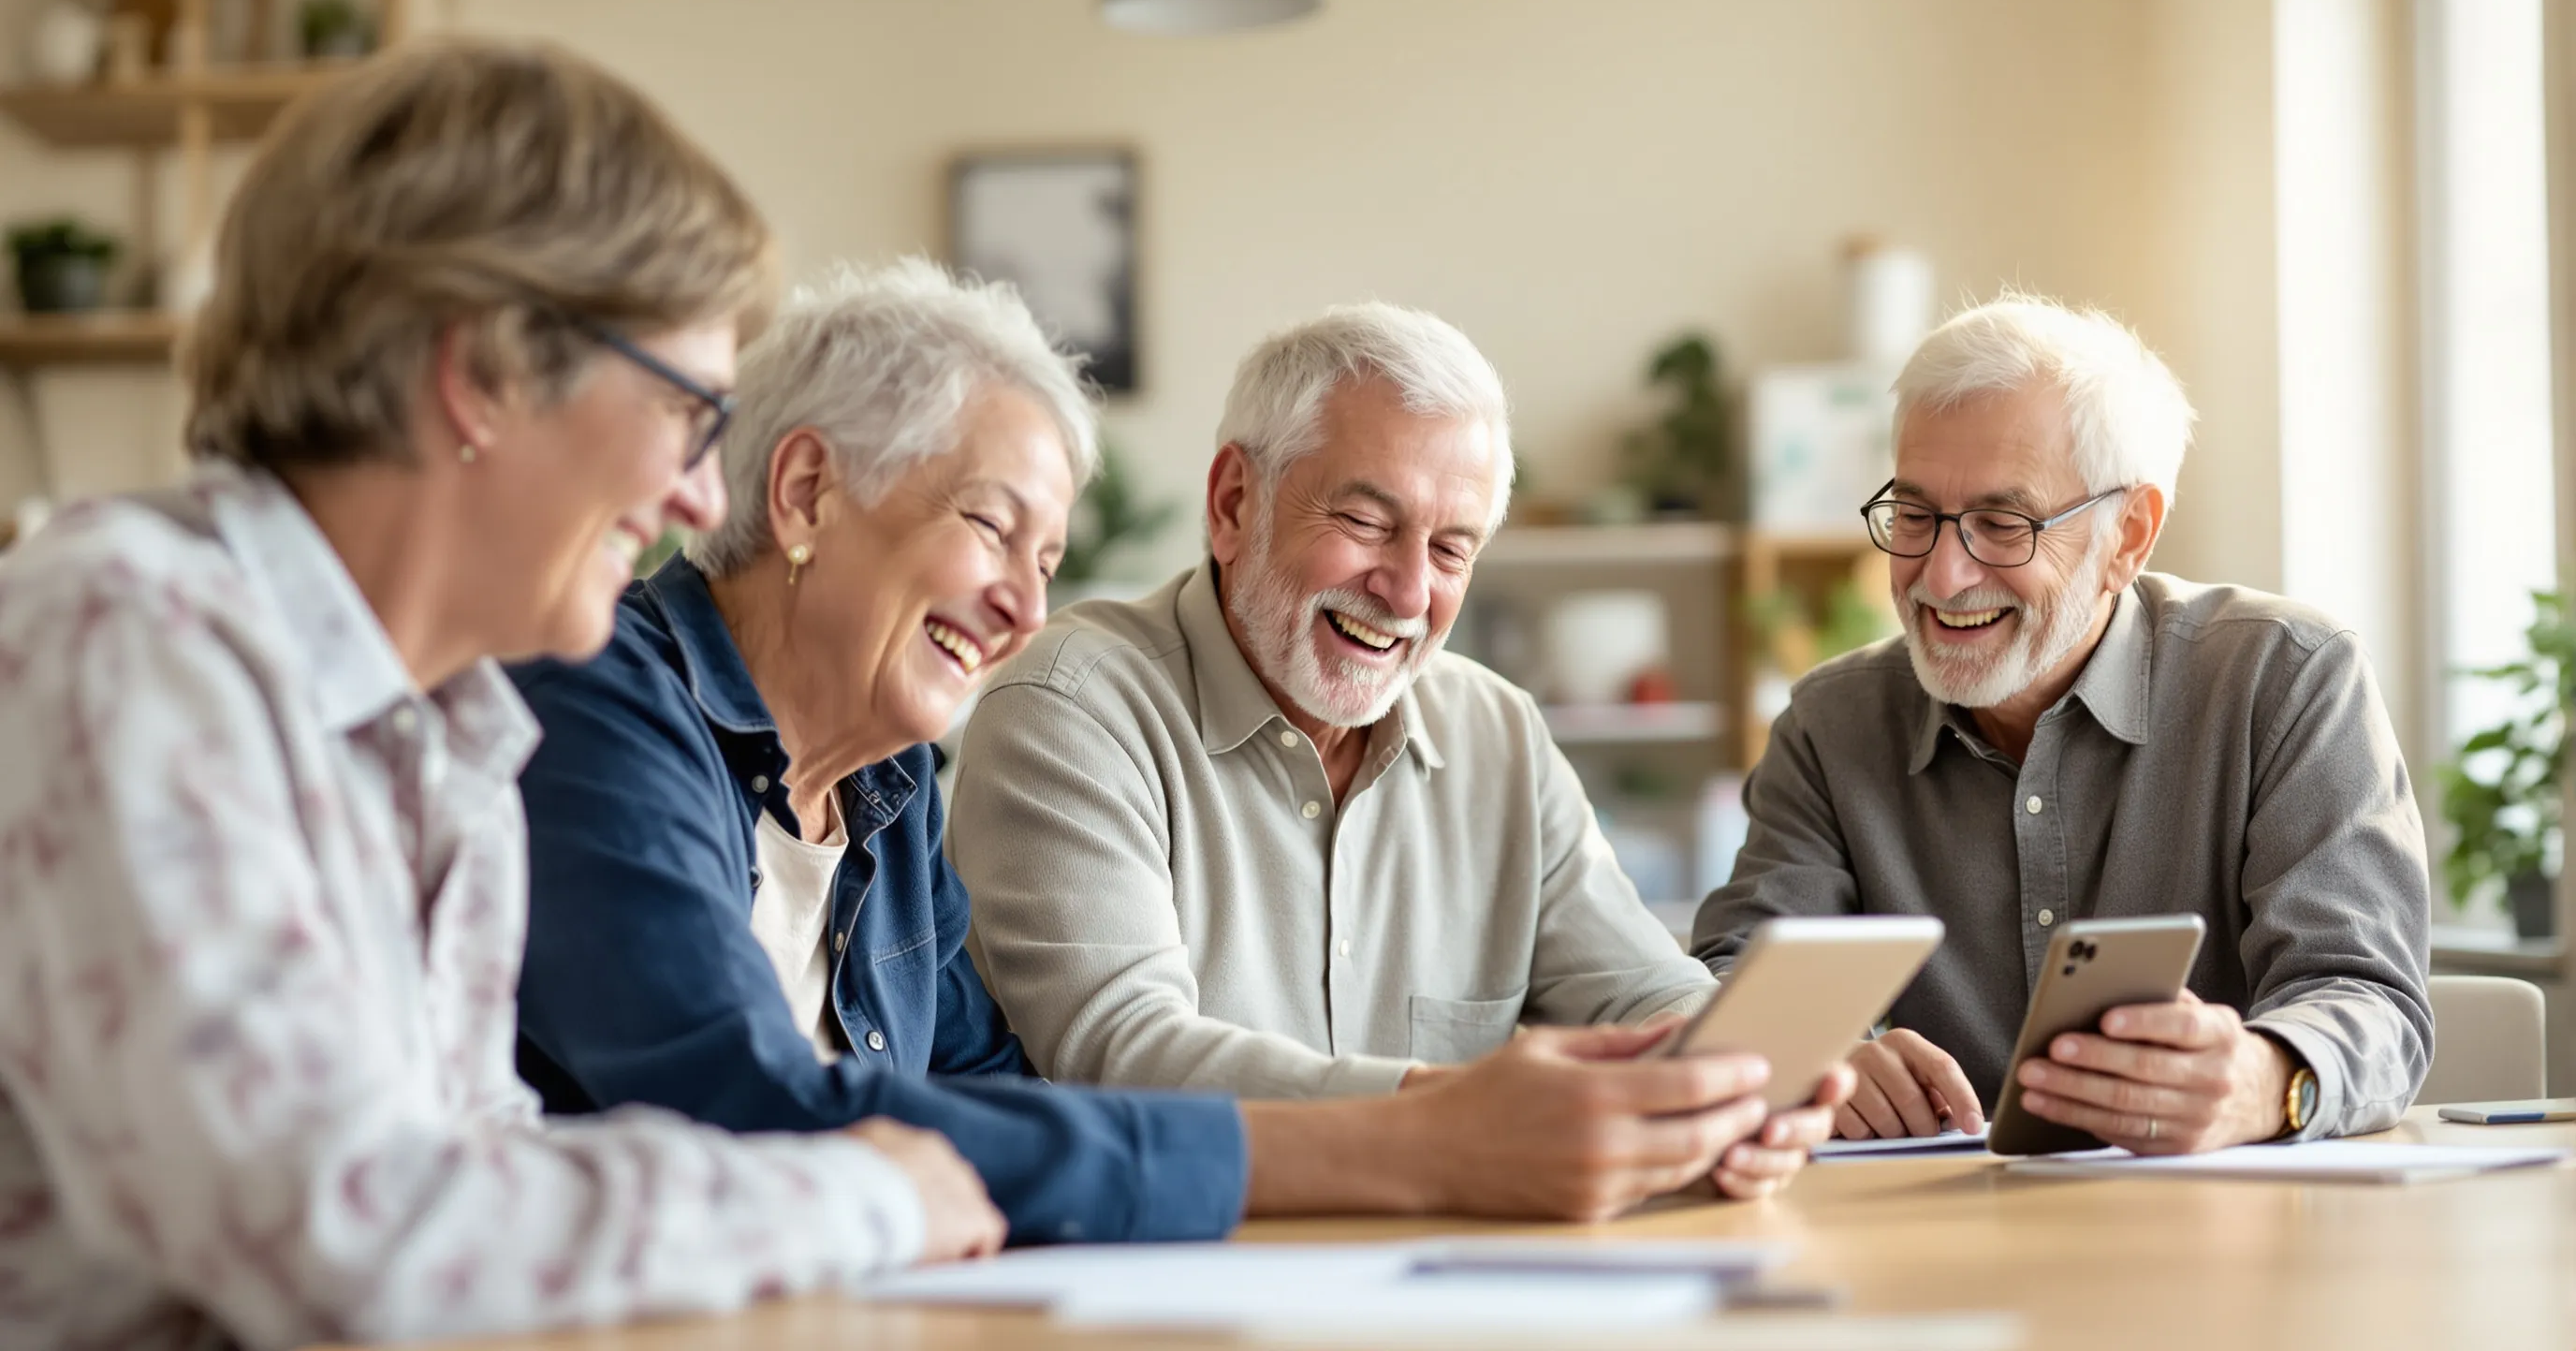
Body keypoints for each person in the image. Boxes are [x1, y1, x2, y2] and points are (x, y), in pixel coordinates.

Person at [0, 38, 1007, 1351]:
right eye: (689, 414)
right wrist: (858, 1195)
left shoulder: (453, 727)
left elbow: (484, 1173)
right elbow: (349, 1228)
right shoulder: (122, 635)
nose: (705, 499)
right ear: (480, 371)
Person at [510, 260, 1824, 1234]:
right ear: (803, 494)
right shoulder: (601, 699)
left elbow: (999, 1098)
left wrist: (1732, 1082)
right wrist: (1430, 1140)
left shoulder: (883, 789)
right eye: (990, 526)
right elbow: (758, 1110)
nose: (1028, 608)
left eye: (1047, 556)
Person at [950, 302, 1847, 1200]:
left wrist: (1743, 1081)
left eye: (1451, 549)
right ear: (1233, 506)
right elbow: (1121, 1054)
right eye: (1368, 523)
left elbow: (1643, 992)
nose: (1410, 590)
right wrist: (1458, 1119)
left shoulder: (1500, 734)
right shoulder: (1069, 704)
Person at [1690, 296, 2432, 1153]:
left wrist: (2266, 1079)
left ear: (2129, 535)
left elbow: (2368, 998)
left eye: (2003, 525)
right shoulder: (1830, 725)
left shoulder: (2286, 678)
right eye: (1917, 514)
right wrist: (1817, 1056)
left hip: (2217, 1238)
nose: (1943, 573)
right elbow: (1729, 980)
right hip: (1919, 1242)